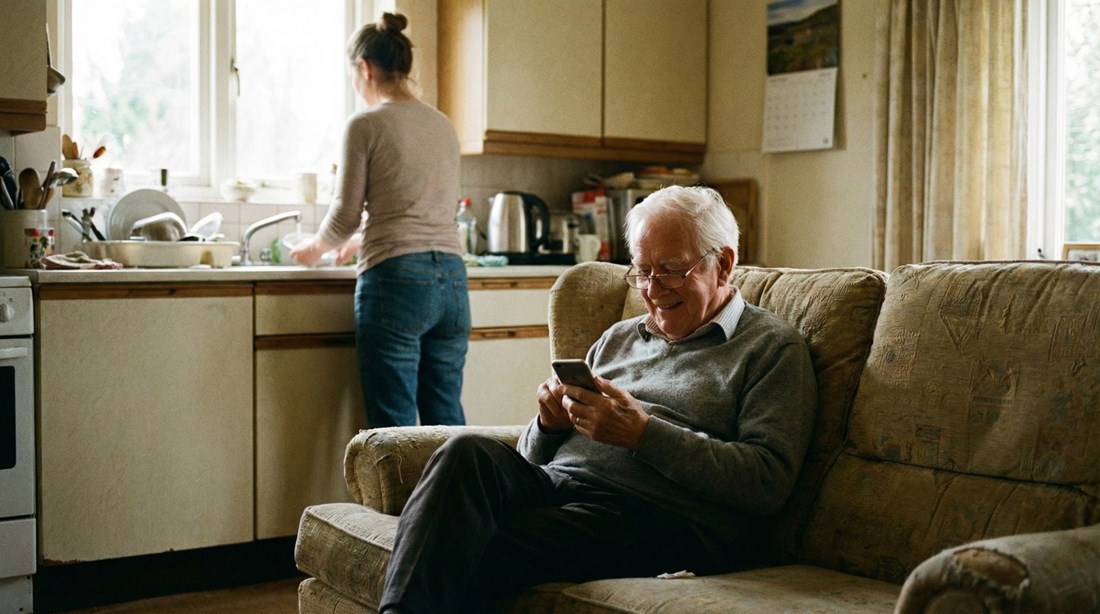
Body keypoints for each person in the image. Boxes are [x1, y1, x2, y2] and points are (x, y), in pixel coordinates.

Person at [378, 185, 818, 613]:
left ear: (723, 264)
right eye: (643, 271)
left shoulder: (771, 350)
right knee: (464, 454)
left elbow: (767, 483)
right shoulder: (618, 338)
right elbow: (532, 459)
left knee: (461, 544)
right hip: (559, 487)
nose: (653, 289)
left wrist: (642, 434)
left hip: (654, 518)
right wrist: (549, 424)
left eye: (670, 270)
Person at [291, 13, 469, 428]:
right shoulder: (443, 124)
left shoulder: (365, 124)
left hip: (397, 284)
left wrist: (314, 247)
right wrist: (359, 241)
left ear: (365, 68)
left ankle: (401, 499)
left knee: (395, 428)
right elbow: (427, 209)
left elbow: (344, 215)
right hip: (453, 282)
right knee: (448, 420)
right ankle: (457, 496)